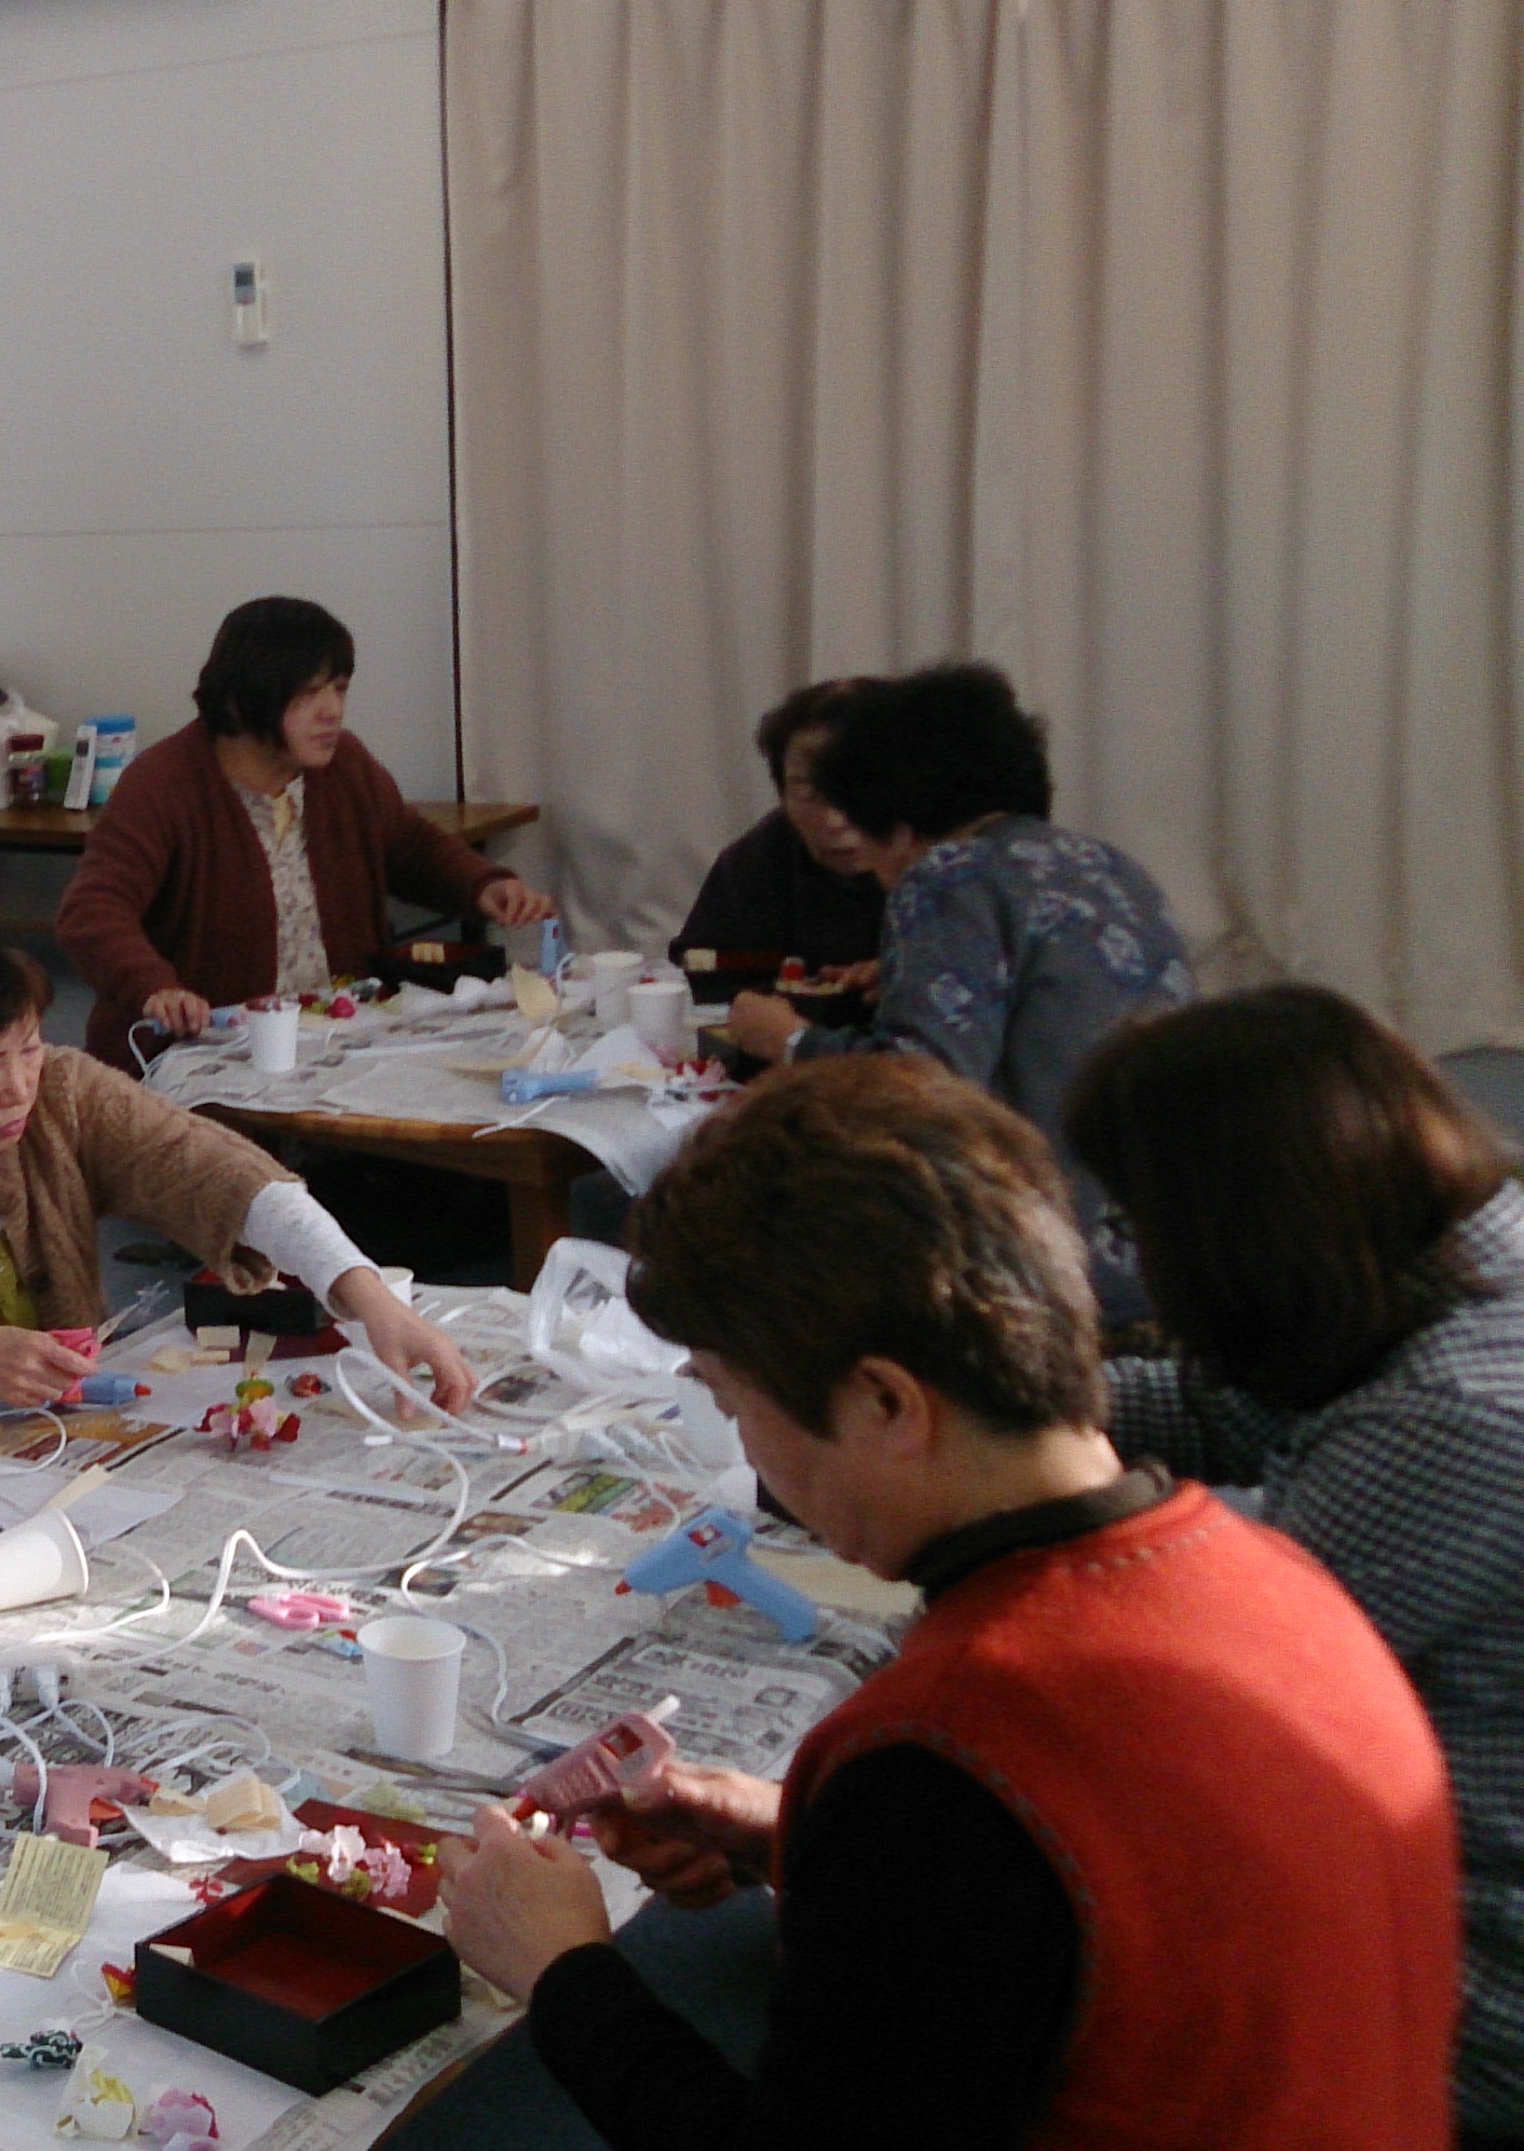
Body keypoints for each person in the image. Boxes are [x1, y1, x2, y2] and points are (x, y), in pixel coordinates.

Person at [435, 1056, 1457, 2150]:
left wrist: (563, 1970)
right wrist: (809, 1843)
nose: (747, 1452)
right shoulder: (1275, 1574)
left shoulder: (947, 1753)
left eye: (733, 1402)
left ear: (885, 1402)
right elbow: (1115, 1907)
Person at [1068, 984, 1524, 2144]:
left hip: (1475, 1985)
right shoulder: (1427, 1265)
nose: (1130, 1256)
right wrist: (1012, 1385)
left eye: (1135, 1224)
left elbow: (1198, 1684)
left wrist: (971, 1465)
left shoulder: (1450, 1411)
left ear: (1231, 1234)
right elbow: (1227, 1409)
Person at [0, 903, 478, 1444]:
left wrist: (368, 1297)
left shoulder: (64, 1091)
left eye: (29, 1048)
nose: (18, 1089)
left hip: (62, 1439)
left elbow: (221, 1173)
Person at [724, 661, 1192, 1318]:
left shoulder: (946, 875)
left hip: (1044, 1258)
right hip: (1166, 1247)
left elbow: (923, 1085)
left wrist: (792, 1041)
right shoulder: (1107, 865)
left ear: (898, 821)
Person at [56, 596, 554, 1067]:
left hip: (338, 1036)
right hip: (203, 1054)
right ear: (243, 700)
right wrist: (154, 987)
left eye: (339, 688)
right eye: (308, 694)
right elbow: (93, 911)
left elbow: (409, 846)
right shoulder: (162, 784)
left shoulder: (344, 766)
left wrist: (483, 885)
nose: (332, 710)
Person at [672, 676, 886, 979]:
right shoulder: (759, 858)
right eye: (809, 791)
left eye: (859, 789)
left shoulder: (944, 859)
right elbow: (700, 961)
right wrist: (753, 986)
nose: (834, 820)